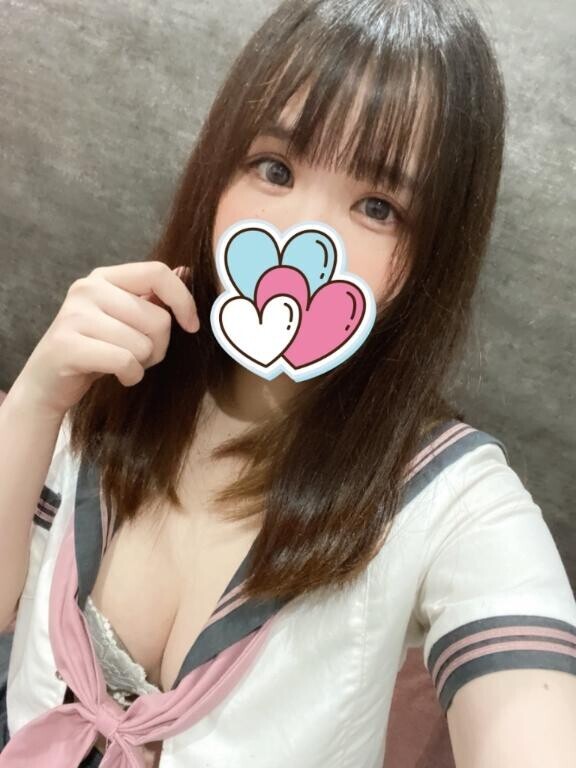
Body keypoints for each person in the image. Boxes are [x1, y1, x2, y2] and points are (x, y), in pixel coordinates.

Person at [0, 0, 575, 766]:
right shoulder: (114, 365)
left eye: (378, 207)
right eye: (275, 168)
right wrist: (36, 399)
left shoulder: (451, 497)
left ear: (432, 252)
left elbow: (529, 698)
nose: (303, 235)